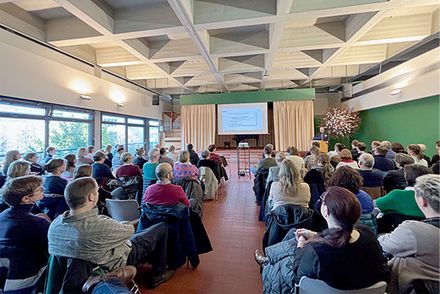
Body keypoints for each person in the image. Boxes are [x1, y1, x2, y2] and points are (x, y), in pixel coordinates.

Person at [257, 186, 389, 293]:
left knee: (282, 264)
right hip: (366, 288)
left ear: (326, 211)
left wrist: (301, 245)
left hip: (321, 288)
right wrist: (313, 235)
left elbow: (297, 275)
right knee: (294, 233)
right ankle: (269, 259)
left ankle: (269, 263)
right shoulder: (368, 234)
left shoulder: (316, 251)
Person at [47, 177, 174, 289]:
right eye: (97, 191)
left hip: (84, 267)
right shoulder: (99, 224)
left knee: (144, 233)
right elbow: (129, 230)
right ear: (91, 197)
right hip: (117, 258)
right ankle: (158, 273)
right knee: (161, 227)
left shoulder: (55, 225)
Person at [378, 174, 440, 293]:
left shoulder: (412, 230)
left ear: (423, 201)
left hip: (423, 288)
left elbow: (384, 244)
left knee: (402, 260)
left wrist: (381, 237)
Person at [0, 176, 50, 293]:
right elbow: (51, 248)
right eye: (39, 189)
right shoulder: (38, 223)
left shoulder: (3, 215)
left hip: (5, 276)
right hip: (25, 278)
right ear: (26, 198)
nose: (43, 189)